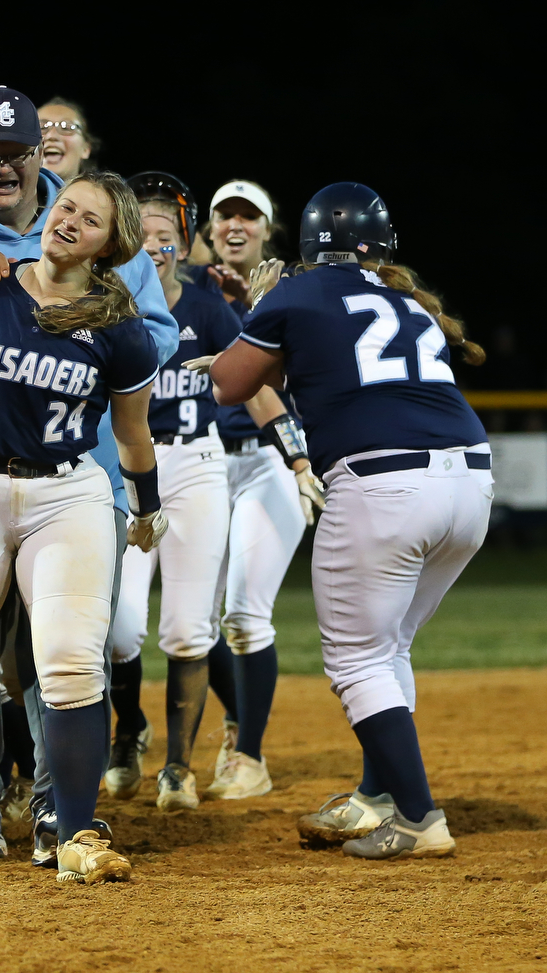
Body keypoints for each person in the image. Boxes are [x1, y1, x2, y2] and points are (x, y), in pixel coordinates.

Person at [0, 86, 178, 864]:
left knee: (72, 652)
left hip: (73, 480)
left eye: (20, 153)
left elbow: (146, 365)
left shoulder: (113, 299)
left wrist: (146, 501)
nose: (7, 166)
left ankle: (65, 815)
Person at [211, 182, 490, 859]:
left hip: (385, 484)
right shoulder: (409, 301)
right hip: (471, 481)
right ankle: (379, 793)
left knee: (359, 657)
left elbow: (228, 383)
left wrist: (256, 310)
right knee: (388, 645)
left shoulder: (296, 294)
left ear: (307, 244)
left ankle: (420, 819)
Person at [104, 172, 287, 812]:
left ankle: (177, 766)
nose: (154, 247)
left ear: (184, 244)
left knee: (188, 628)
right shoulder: (103, 303)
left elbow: (257, 383)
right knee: (119, 630)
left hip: (197, 465)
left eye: (164, 236)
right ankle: (129, 732)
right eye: (141, 236)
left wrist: (295, 455)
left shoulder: (209, 307)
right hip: (127, 473)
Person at [192, 179, 321, 802]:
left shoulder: (297, 292)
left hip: (273, 461)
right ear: (210, 228)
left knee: (243, 614)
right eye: (225, 216)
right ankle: (239, 716)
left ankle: (249, 757)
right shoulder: (189, 288)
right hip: (204, 462)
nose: (236, 225)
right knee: (192, 621)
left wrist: (302, 459)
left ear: (269, 230)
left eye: (250, 217)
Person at [37, 96, 100, 182]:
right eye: (42, 127)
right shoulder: (13, 193)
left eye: (66, 128)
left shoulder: (111, 194)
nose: (52, 136)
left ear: (86, 149)